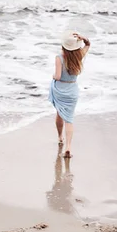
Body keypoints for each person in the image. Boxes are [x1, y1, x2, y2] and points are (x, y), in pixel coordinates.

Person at [48, 30, 91, 158]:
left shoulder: (59, 58)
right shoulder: (79, 56)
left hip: (60, 90)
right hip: (72, 90)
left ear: (63, 46)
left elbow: (58, 76)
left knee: (60, 114)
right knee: (69, 119)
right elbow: (88, 44)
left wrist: (53, 76)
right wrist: (83, 38)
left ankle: (60, 137)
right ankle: (68, 147)